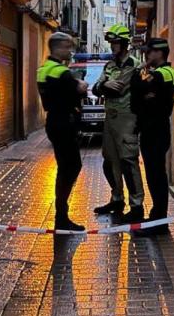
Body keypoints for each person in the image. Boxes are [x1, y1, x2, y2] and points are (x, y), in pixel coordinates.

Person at [91, 24, 145, 224]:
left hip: (127, 118)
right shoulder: (109, 65)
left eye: (115, 43)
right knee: (110, 162)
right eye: (111, 43)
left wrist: (105, 86)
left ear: (124, 43)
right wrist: (104, 84)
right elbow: (96, 88)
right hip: (110, 118)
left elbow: (119, 88)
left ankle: (137, 206)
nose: (112, 46)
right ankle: (117, 199)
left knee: (128, 162)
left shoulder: (134, 65)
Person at [37, 31, 89, 232]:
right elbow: (79, 91)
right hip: (64, 123)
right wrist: (80, 85)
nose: (70, 51)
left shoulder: (44, 69)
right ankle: (61, 216)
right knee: (72, 167)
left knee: (65, 167)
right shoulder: (61, 72)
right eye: (67, 47)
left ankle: (61, 214)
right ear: (57, 48)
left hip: (53, 121)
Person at [130, 38, 174, 236]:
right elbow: (138, 96)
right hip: (150, 129)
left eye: (149, 51)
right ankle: (157, 218)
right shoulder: (156, 74)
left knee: (157, 177)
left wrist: (140, 74)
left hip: (156, 130)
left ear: (159, 52)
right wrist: (144, 94)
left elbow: (138, 86)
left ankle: (159, 222)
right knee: (153, 175)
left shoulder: (165, 73)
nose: (146, 55)